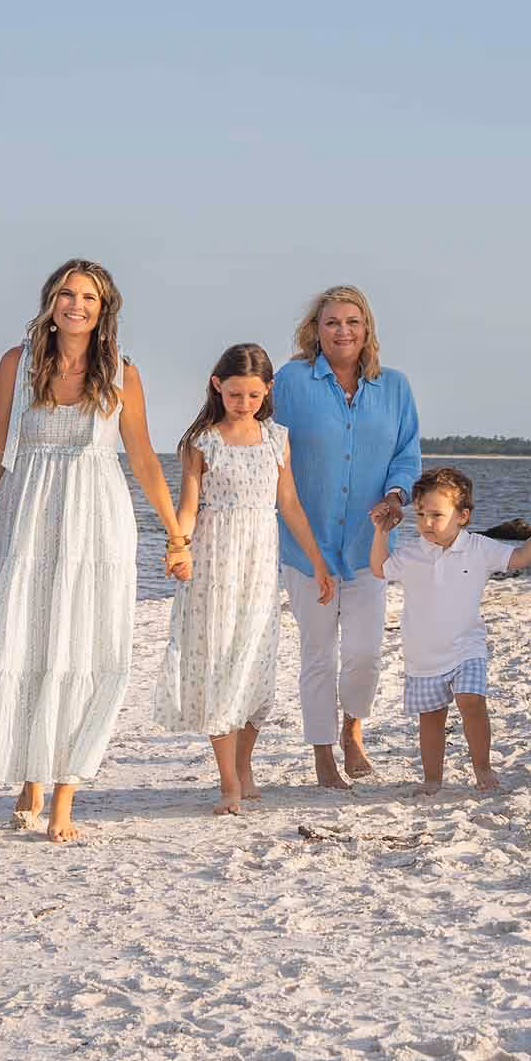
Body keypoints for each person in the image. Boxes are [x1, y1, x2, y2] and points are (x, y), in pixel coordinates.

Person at [0, 259, 191, 843]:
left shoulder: (121, 372)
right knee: (25, 640)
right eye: (68, 294)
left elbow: (142, 457)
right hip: (26, 517)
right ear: (51, 302)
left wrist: (176, 533)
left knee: (82, 649)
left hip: (96, 522)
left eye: (89, 297)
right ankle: (30, 776)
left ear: (103, 309)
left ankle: (64, 792)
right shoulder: (17, 364)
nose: (77, 305)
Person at [157, 344, 334, 816]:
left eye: (254, 395)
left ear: (268, 390)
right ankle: (228, 783)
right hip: (214, 565)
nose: (244, 403)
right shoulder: (202, 442)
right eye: (235, 394)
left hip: (258, 564)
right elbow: (188, 507)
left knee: (256, 663)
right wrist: (177, 547)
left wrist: (317, 561)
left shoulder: (276, 438)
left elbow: (289, 504)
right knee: (219, 665)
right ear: (217, 386)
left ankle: (244, 763)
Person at [271, 285, 421, 789]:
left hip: (367, 546)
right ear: (315, 330)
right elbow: (258, 434)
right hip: (306, 546)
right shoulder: (290, 382)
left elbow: (406, 453)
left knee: (364, 653)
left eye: (352, 321)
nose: (343, 331)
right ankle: (322, 755)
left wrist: (396, 496)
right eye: (332, 322)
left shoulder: (394, 387)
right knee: (318, 654)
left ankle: (353, 728)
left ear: (367, 329)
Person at [370, 467, 531, 796]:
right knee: (431, 717)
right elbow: (380, 569)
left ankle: (483, 768)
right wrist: (380, 533)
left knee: (471, 701)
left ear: (462, 516)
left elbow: (521, 557)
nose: (426, 522)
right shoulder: (411, 553)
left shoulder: (479, 548)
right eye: (421, 514)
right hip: (423, 654)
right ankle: (432, 779)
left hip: (467, 645)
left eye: (436, 515)